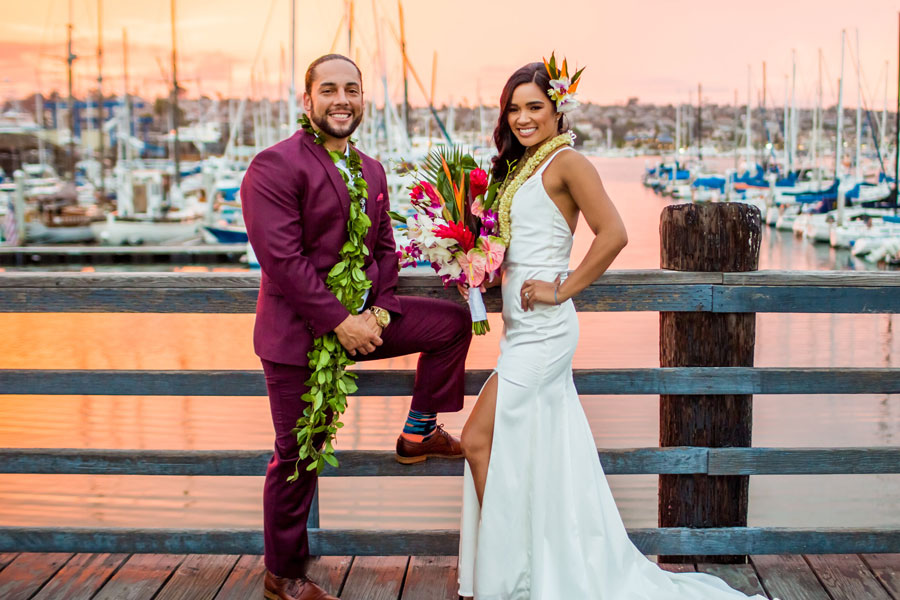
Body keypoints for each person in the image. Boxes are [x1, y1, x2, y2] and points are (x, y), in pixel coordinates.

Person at [456, 60, 774, 600]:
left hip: (546, 330)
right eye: (514, 108)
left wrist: (561, 288)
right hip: (519, 331)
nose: (523, 118)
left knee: (478, 439)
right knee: (520, 451)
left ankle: (513, 574)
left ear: (558, 108)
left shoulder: (567, 162)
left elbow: (614, 234)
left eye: (535, 106)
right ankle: (523, 569)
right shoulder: (520, 168)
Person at [240, 53, 472, 600]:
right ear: (307, 101)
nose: (341, 100)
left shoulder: (370, 169)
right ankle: (284, 576)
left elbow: (386, 251)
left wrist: (381, 312)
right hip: (300, 335)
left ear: (363, 100)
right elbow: (283, 261)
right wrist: (341, 322)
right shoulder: (273, 166)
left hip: (364, 322)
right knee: (299, 453)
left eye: (352, 89)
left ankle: (417, 430)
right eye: (329, 90)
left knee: (451, 323)